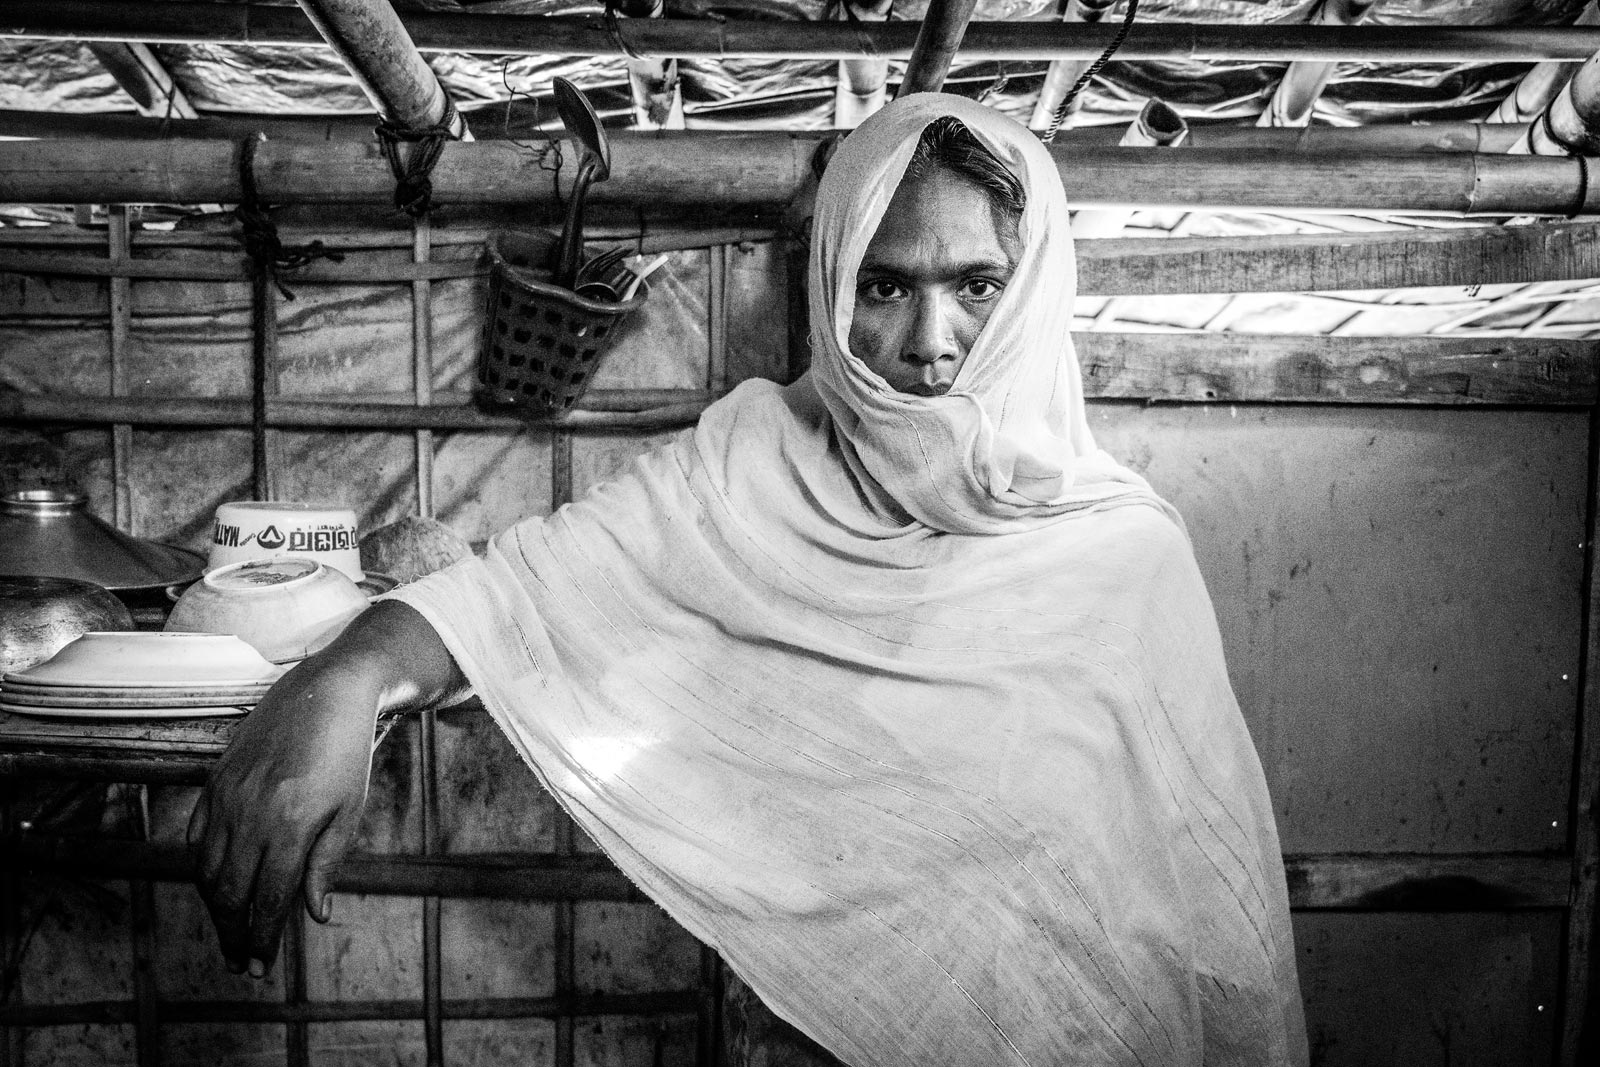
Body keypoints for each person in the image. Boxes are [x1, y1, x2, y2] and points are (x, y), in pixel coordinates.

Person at [191, 93, 1308, 1066]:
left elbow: (1203, 908)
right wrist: (340, 680)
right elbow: (523, 591)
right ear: (829, 290)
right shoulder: (747, 468)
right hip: (795, 1037)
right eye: (882, 286)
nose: (930, 341)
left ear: (1033, 292)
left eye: (977, 284)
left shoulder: (1120, 556)